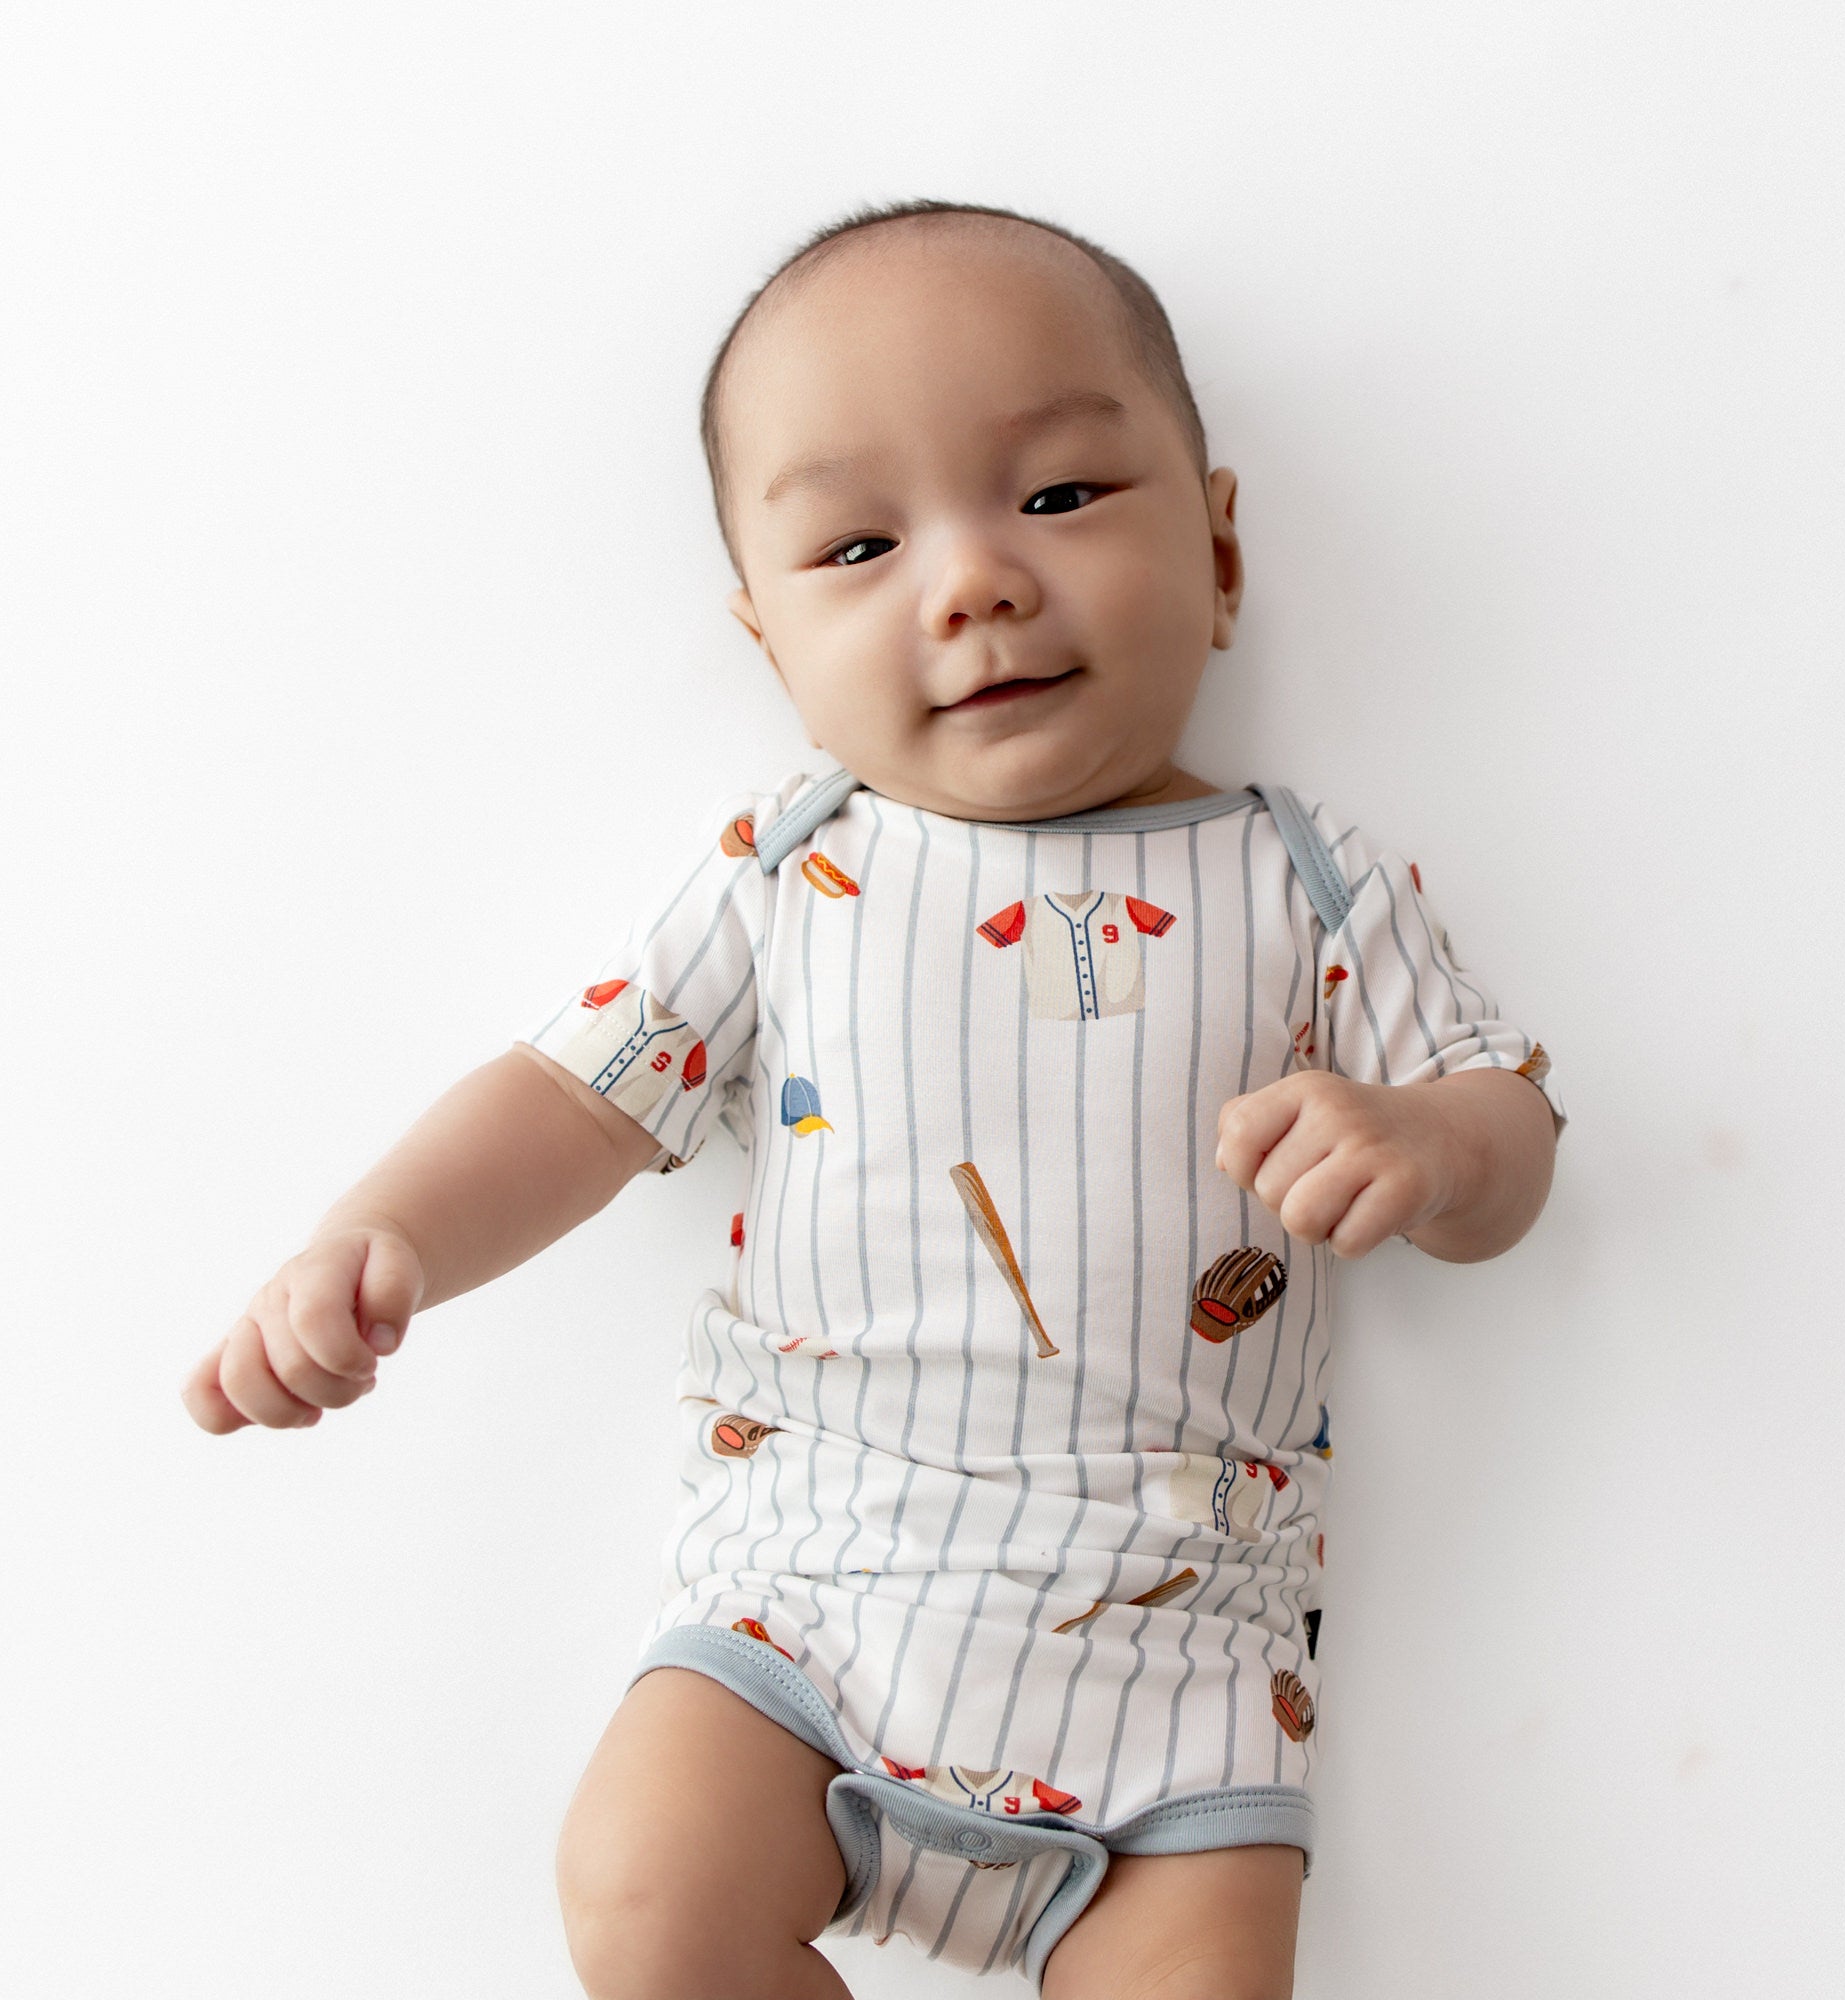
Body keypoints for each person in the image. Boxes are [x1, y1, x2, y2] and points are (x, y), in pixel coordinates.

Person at [182, 200, 1566, 2000]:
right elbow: (576, 1099)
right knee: (642, 1889)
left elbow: (1511, 1132)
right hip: (814, 1591)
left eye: (1060, 497)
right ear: (770, 645)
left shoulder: (1312, 883)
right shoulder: (790, 869)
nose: (973, 581)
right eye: (857, 542)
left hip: (1182, 1667)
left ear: (1223, 557)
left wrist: (1434, 1144)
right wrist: (380, 1238)